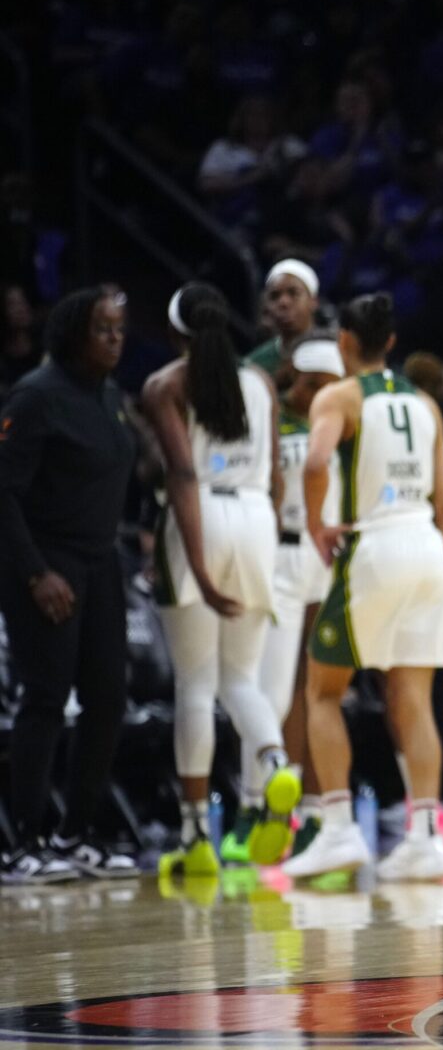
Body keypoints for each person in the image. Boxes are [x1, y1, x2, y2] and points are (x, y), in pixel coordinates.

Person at [280, 293, 443, 882]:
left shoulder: (340, 395)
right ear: (392, 341)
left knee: (323, 689)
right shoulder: (426, 404)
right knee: (413, 695)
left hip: (374, 543)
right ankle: (426, 836)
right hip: (428, 548)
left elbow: (315, 462)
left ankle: (336, 828)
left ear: (346, 344)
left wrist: (314, 523)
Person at [142, 282, 299, 876]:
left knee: (196, 686)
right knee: (241, 679)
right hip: (258, 518)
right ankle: (277, 766)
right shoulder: (259, 383)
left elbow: (181, 473)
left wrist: (200, 571)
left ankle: (194, 840)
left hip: (203, 515)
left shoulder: (165, 385)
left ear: (176, 331)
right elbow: (278, 477)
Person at [0, 288, 139, 883]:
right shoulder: (35, 397)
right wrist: (36, 573)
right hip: (45, 565)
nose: (116, 338)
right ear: (73, 333)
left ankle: (76, 833)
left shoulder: (109, 395)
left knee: (108, 697)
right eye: (103, 329)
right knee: (45, 699)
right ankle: (20, 843)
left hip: (101, 562)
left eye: (120, 328)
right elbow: (2, 494)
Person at [226, 335, 344, 864]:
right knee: (270, 691)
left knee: (320, 692)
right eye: (314, 384)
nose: (319, 393)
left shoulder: (343, 423)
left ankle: (316, 816)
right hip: (279, 555)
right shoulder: (273, 421)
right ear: (297, 378)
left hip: (328, 560)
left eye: (328, 386)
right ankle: (256, 806)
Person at [248, 259, 321, 382]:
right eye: (274, 296)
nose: (283, 303)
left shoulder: (336, 354)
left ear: (313, 301)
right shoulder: (254, 364)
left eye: (294, 293)